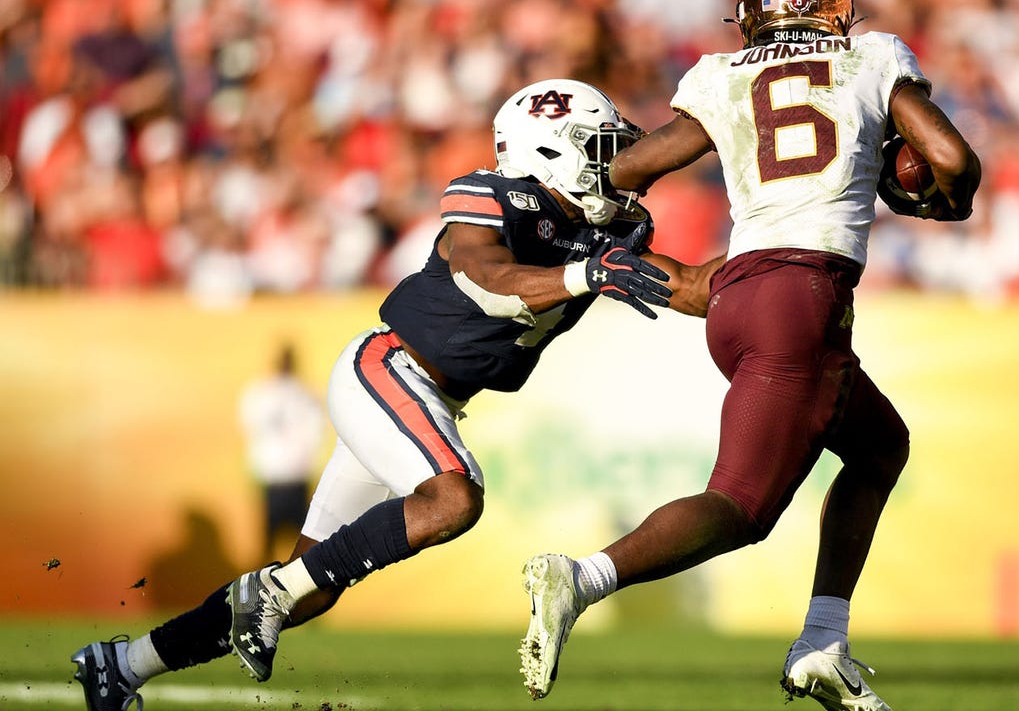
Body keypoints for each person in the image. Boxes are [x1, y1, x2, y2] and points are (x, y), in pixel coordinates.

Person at [70, 78, 723, 711]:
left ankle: (124, 665)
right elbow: (484, 274)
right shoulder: (497, 198)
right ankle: (265, 594)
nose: (620, 161)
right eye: (601, 147)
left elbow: (693, 287)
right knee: (450, 499)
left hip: (428, 396)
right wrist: (582, 274)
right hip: (387, 368)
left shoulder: (615, 236)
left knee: (309, 590)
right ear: (550, 152)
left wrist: (793, 250)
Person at [518, 0, 980, 711]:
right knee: (741, 506)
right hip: (803, 295)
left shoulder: (720, 74)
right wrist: (949, 195)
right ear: (833, 7)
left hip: (737, 296)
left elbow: (633, 170)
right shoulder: (871, 56)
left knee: (881, 446)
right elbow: (949, 155)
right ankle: (583, 579)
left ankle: (824, 642)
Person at [238, 341, 325, 563]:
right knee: (276, 542)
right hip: (277, 476)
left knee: (302, 543)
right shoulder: (270, 392)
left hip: (291, 477)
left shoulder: (269, 392)